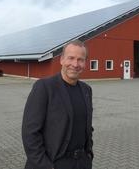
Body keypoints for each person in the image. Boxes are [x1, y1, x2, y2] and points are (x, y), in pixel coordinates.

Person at [22, 40, 94, 169]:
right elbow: (30, 133)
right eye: (71, 58)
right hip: (53, 163)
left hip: (81, 163)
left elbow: (87, 128)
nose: (75, 64)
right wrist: (45, 166)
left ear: (85, 63)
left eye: (80, 60)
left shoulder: (86, 90)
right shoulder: (45, 87)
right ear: (61, 60)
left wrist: (88, 156)